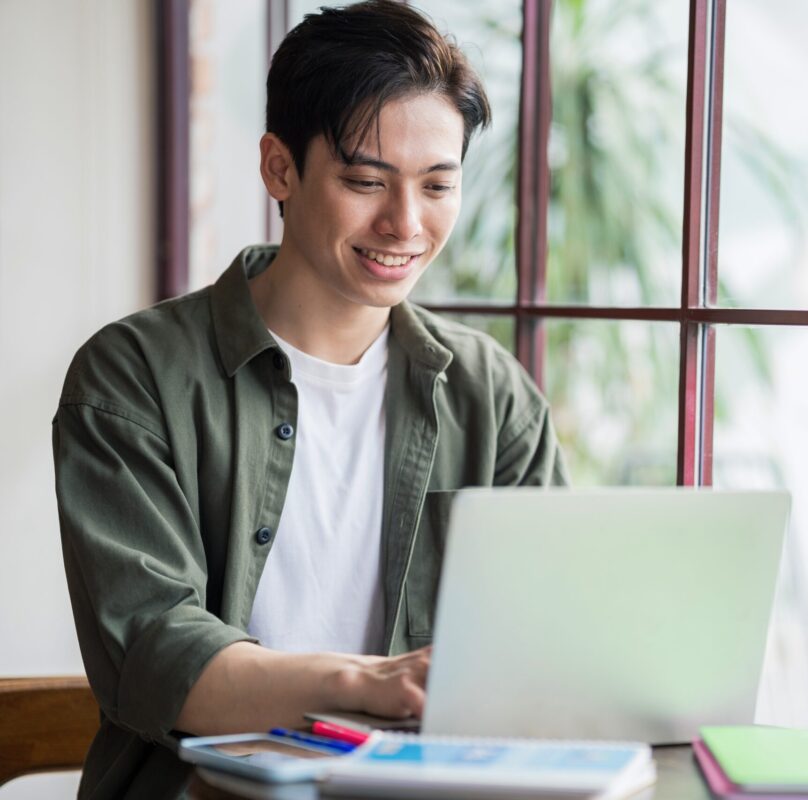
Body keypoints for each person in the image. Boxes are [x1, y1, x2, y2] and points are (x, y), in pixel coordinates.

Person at [52, 3, 568, 797]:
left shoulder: (492, 395)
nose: (405, 224)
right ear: (279, 168)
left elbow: (548, 643)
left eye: (438, 185)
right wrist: (366, 684)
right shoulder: (130, 379)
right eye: (366, 181)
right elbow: (156, 654)